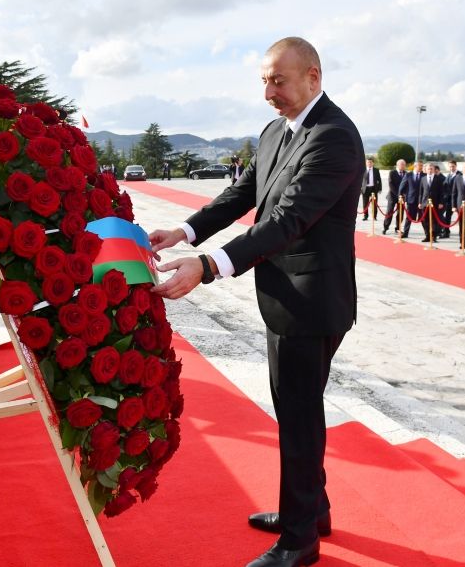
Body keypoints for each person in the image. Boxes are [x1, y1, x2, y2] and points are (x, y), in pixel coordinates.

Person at [149, 37, 364, 567]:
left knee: (298, 415)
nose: (269, 92)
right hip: (286, 297)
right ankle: (312, 512)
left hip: (311, 300)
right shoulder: (276, 131)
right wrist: (186, 230)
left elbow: (286, 221)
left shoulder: (334, 137)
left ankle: (298, 540)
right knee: (297, 410)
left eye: (279, 81)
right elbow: (244, 194)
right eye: (264, 81)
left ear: (313, 76)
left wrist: (209, 266)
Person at [398, 161, 424, 239]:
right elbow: (402, 186)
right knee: (409, 218)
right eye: (420, 166)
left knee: (424, 218)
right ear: (415, 166)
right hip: (411, 200)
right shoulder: (408, 175)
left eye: (422, 166)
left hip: (421, 201)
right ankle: (405, 233)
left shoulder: (424, 175)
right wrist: (400, 196)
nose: (422, 167)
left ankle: (428, 235)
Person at [418, 162, 443, 241]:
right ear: (426, 170)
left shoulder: (438, 179)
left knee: (434, 221)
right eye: (428, 169)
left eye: (431, 169)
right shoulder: (423, 179)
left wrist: (441, 202)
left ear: (434, 170)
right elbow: (420, 192)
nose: (430, 170)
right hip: (425, 203)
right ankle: (427, 235)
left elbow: (441, 192)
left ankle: (433, 236)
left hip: (435, 203)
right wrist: (420, 202)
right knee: (425, 220)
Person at [381, 159, 406, 234]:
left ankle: (398, 228)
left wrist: (403, 195)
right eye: (402, 164)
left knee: (400, 213)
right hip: (392, 196)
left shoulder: (406, 173)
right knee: (389, 212)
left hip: (402, 197)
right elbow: (391, 184)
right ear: (398, 165)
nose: (403, 166)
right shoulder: (392, 172)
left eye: (404, 165)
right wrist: (398, 195)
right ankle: (385, 227)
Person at [360, 157, 381, 221]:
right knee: (365, 204)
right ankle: (365, 216)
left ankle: (374, 216)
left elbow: (379, 180)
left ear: (373, 163)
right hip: (365, 189)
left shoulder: (376, 170)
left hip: (373, 189)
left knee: (374, 203)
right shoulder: (363, 170)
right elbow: (360, 180)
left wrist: (379, 189)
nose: (369, 163)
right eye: (368, 162)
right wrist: (360, 189)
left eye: (370, 162)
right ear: (366, 163)